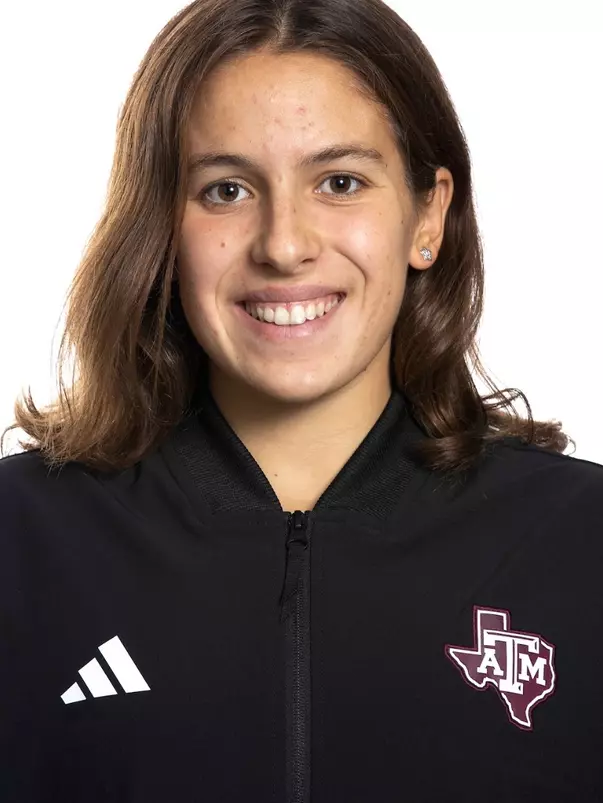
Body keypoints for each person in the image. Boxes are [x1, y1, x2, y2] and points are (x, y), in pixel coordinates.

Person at [1, 0, 601, 800]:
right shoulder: (19, 544)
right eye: (224, 191)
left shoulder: (580, 544)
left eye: (340, 181)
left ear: (427, 215)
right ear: (161, 224)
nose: (283, 244)